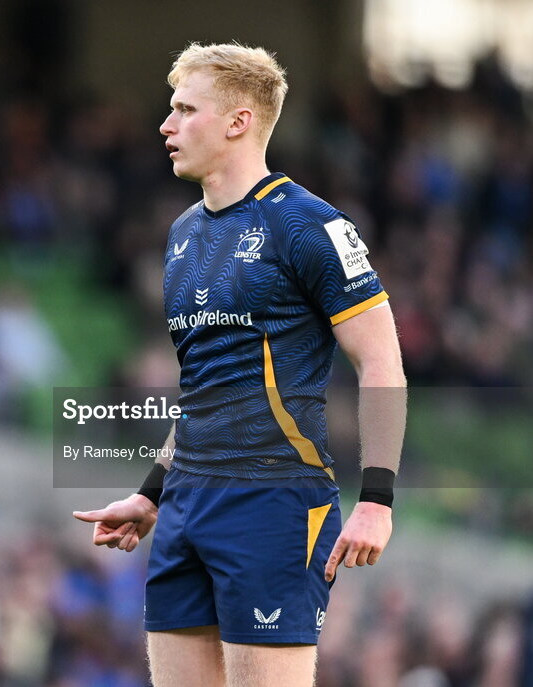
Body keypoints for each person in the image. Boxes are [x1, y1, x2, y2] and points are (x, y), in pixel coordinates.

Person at [74, 42, 406, 687]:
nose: (166, 126)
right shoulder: (182, 234)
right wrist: (150, 494)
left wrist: (377, 498)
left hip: (275, 500)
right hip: (186, 506)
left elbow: (382, 361)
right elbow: (208, 391)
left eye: (184, 109)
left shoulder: (310, 226)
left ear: (238, 121)